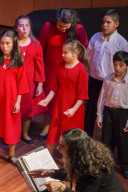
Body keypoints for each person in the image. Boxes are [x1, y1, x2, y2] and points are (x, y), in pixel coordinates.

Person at [38, 8, 88, 139]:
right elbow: (40, 49)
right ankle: (46, 127)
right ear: (56, 21)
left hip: (70, 71)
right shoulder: (48, 26)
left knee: (67, 100)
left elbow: (83, 51)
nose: (63, 29)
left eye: (66, 27)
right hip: (51, 69)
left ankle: (64, 130)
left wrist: (75, 68)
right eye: (60, 26)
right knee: (50, 99)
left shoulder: (79, 29)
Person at [0, 30, 29, 166]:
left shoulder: (18, 60)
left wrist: (18, 102)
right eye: (2, 43)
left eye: (7, 43)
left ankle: (12, 154)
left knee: (11, 125)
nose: (4, 46)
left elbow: (21, 82)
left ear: (14, 44)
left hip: (11, 98)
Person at [38, 39, 89, 153]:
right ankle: (47, 160)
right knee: (53, 133)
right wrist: (47, 100)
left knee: (70, 138)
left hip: (73, 109)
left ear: (75, 53)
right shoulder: (60, 65)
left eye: (66, 52)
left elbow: (82, 95)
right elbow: (55, 86)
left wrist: (73, 110)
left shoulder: (81, 70)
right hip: (60, 105)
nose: (62, 55)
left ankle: (69, 164)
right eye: (63, 52)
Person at [86, 9, 128, 138]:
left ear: (116, 24)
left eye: (108, 22)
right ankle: (86, 140)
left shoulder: (121, 43)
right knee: (90, 112)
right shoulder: (95, 37)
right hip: (94, 81)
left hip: (111, 83)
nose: (104, 25)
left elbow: (126, 68)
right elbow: (88, 58)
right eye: (103, 22)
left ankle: (107, 145)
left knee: (108, 115)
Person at [96, 51, 128, 179]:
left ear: (127, 66)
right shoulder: (108, 79)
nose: (117, 68)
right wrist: (99, 115)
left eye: (121, 65)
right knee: (106, 140)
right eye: (115, 64)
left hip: (122, 114)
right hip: (108, 112)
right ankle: (105, 165)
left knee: (122, 141)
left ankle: (125, 167)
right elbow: (102, 98)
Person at [15, 15, 45, 144]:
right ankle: (12, 133)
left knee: (27, 109)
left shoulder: (36, 44)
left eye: (26, 25)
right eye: (21, 26)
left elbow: (40, 66)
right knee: (13, 108)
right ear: (16, 28)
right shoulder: (12, 42)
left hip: (29, 82)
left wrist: (40, 84)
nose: (24, 28)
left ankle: (25, 133)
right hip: (14, 81)